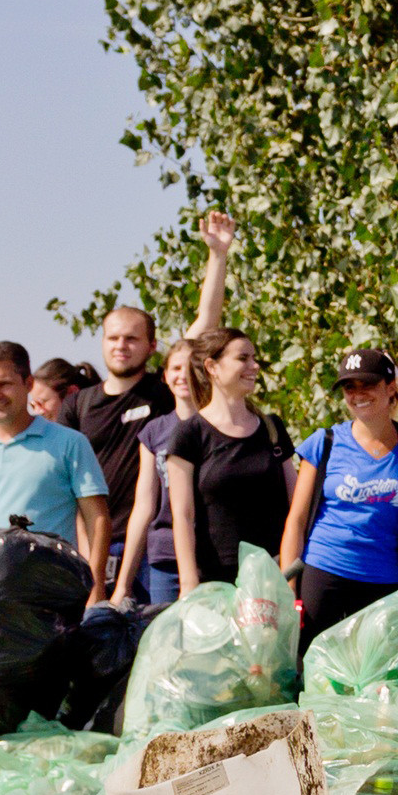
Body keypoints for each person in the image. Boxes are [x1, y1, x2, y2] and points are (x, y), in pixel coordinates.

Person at [69, 214, 234, 596]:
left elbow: (203, 326)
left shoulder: (162, 391)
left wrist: (217, 256)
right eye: (113, 338)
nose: (121, 346)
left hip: (155, 545)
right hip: (97, 542)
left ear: (151, 346)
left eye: (131, 338)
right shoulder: (78, 406)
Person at [278, 348, 398, 642]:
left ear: (390, 389)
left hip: (383, 580)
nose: (358, 394)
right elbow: (295, 521)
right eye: (350, 387)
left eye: (367, 385)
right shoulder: (325, 442)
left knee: (372, 676)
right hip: (323, 572)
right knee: (313, 670)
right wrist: (288, 589)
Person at [0, 341, 112, 585]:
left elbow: (97, 517)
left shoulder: (69, 443)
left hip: (51, 590)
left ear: (28, 384)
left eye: (4, 384)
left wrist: (96, 584)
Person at [162, 326, 295, 591]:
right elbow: (183, 516)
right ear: (212, 366)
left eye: (254, 358)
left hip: (274, 575)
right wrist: (189, 584)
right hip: (217, 580)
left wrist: (292, 572)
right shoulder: (189, 434)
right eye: (243, 358)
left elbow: (296, 503)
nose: (254, 366)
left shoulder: (272, 427)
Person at [108, 341, 205, 606]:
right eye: (175, 368)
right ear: (165, 376)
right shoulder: (154, 431)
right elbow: (144, 507)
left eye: (191, 368)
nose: (182, 375)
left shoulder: (217, 426)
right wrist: (123, 586)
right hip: (165, 557)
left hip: (213, 554)